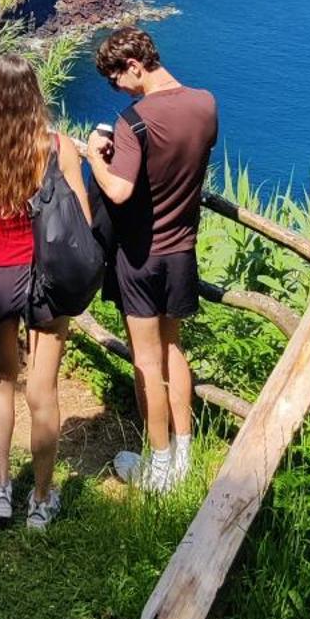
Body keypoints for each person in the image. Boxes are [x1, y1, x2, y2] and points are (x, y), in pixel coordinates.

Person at [0, 55, 92, 531]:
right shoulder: (58, 148)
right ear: (35, 94)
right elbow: (82, 222)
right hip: (49, 278)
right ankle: (41, 496)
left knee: (0, 379)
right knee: (43, 389)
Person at [85, 25, 217, 491]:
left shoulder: (133, 121)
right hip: (182, 249)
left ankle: (157, 466)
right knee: (173, 349)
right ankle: (184, 455)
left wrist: (95, 158)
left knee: (146, 359)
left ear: (134, 67)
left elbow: (120, 190)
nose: (116, 87)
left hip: (141, 254)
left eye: (116, 78)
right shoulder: (206, 104)